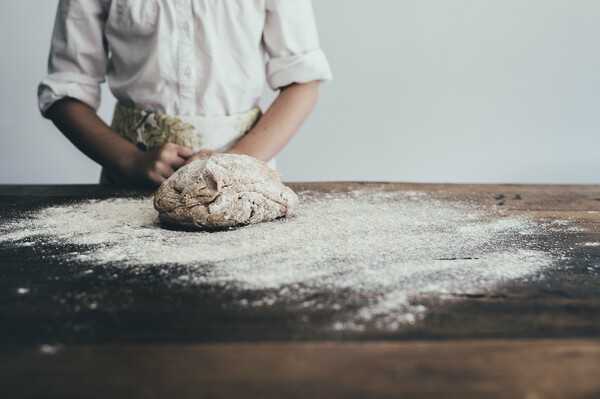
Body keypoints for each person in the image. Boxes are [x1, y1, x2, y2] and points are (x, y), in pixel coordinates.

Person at [38, 0, 332, 186]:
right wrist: (129, 161)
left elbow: (303, 82)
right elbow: (65, 91)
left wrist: (235, 162)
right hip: (131, 183)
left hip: (245, 179)